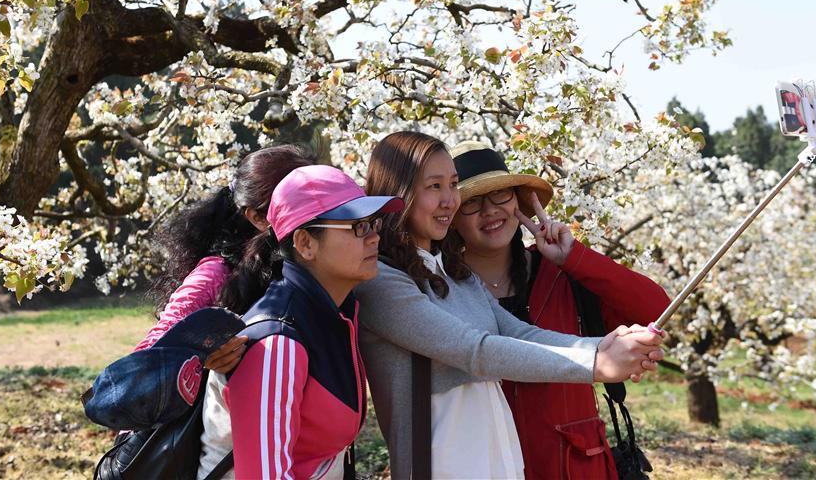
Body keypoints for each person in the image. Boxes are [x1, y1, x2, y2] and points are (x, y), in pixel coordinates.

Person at [356, 131, 665, 479]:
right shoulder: (381, 280)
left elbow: (518, 332)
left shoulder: (455, 274)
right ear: (399, 193)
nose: (449, 200)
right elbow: (474, 350)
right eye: (434, 186)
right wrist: (596, 363)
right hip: (442, 467)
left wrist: (608, 346)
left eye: (453, 185)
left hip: (501, 464)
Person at [449, 141, 671, 479]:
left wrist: (573, 258)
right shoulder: (444, 287)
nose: (490, 210)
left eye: (501, 195)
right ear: (451, 218)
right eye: (473, 202)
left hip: (572, 464)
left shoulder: (564, 275)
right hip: (486, 462)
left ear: (518, 202)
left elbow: (655, 308)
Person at [196, 165, 403, 479]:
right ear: (305, 243)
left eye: (374, 223)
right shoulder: (277, 344)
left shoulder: (335, 314)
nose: (375, 237)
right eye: (358, 226)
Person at [134, 144, 316, 374]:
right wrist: (203, 361)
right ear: (257, 217)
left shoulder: (314, 262)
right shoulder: (215, 273)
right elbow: (146, 360)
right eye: (302, 200)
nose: (319, 208)